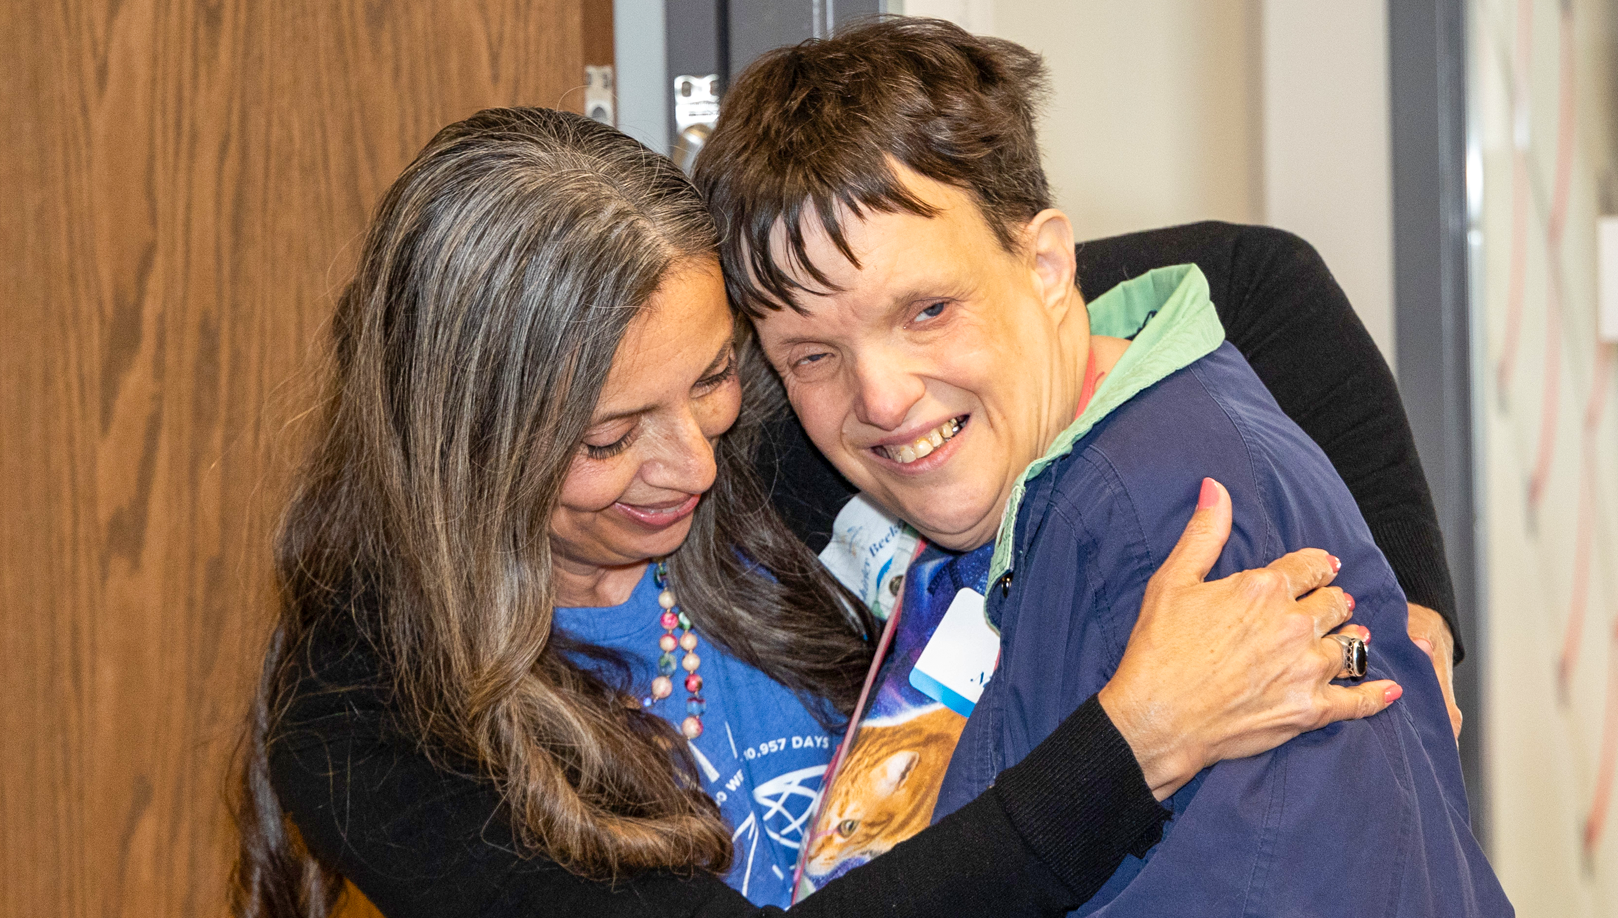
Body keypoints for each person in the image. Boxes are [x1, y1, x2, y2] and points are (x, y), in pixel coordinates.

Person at [236, 107, 1431, 918]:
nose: (686, 467)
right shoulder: (369, 727)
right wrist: (1134, 744)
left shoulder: (784, 427)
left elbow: (1259, 281)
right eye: (603, 441)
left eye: (710, 378)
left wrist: (1419, 614)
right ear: (462, 450)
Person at [694, 17, 1505, 914]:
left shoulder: (1167, 536)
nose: (881, 398)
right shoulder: (1016, 479)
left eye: (927, 310)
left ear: (1047, 265)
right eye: (811, 356)